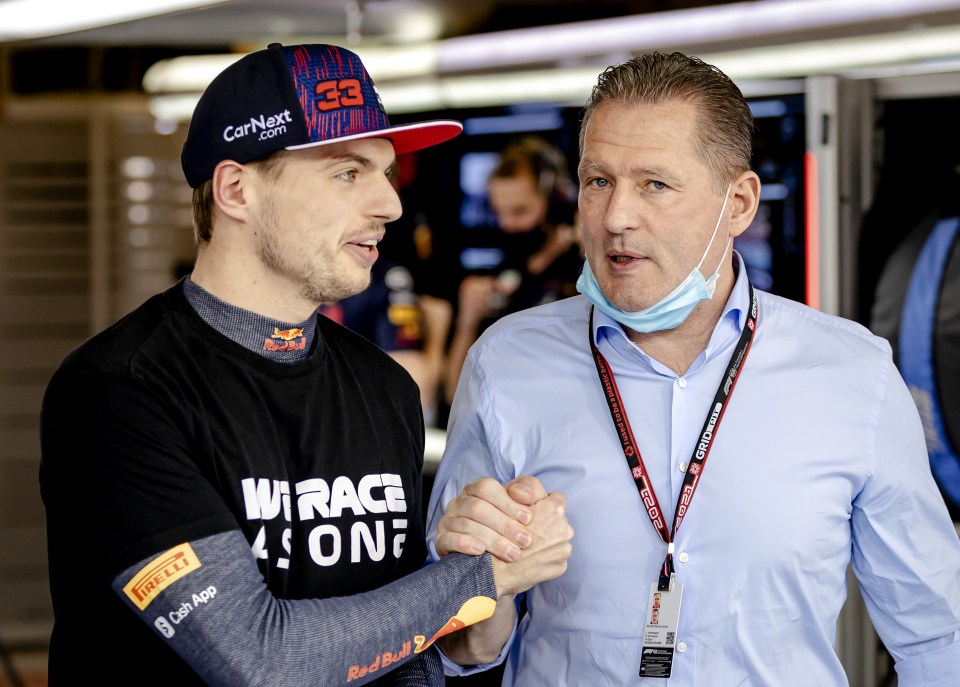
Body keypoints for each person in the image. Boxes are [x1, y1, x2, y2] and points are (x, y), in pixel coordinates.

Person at [39, 43, 573, 686]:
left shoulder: (382, 388)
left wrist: (479, 618)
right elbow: (265, 665)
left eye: (386, 173)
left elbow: (401, 653)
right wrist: (478, 581)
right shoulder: (118, 392)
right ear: (236, 189)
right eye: (348, 172)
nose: (389, 205)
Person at [426, 52, 960, 685]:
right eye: (599, 181)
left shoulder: (852, 373)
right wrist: (478, 588)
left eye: (655, 183)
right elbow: (462, 650)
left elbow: (935, 635)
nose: (617, 216)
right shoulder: (506, 362)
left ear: (738, 204)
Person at [444, 137, 583, 404]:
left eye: (520, 212)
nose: (507, 225)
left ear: (555, 201)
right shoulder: (503, 276)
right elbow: (455, 395)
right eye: (499, 213)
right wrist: (467, 323)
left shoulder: (585, 270)